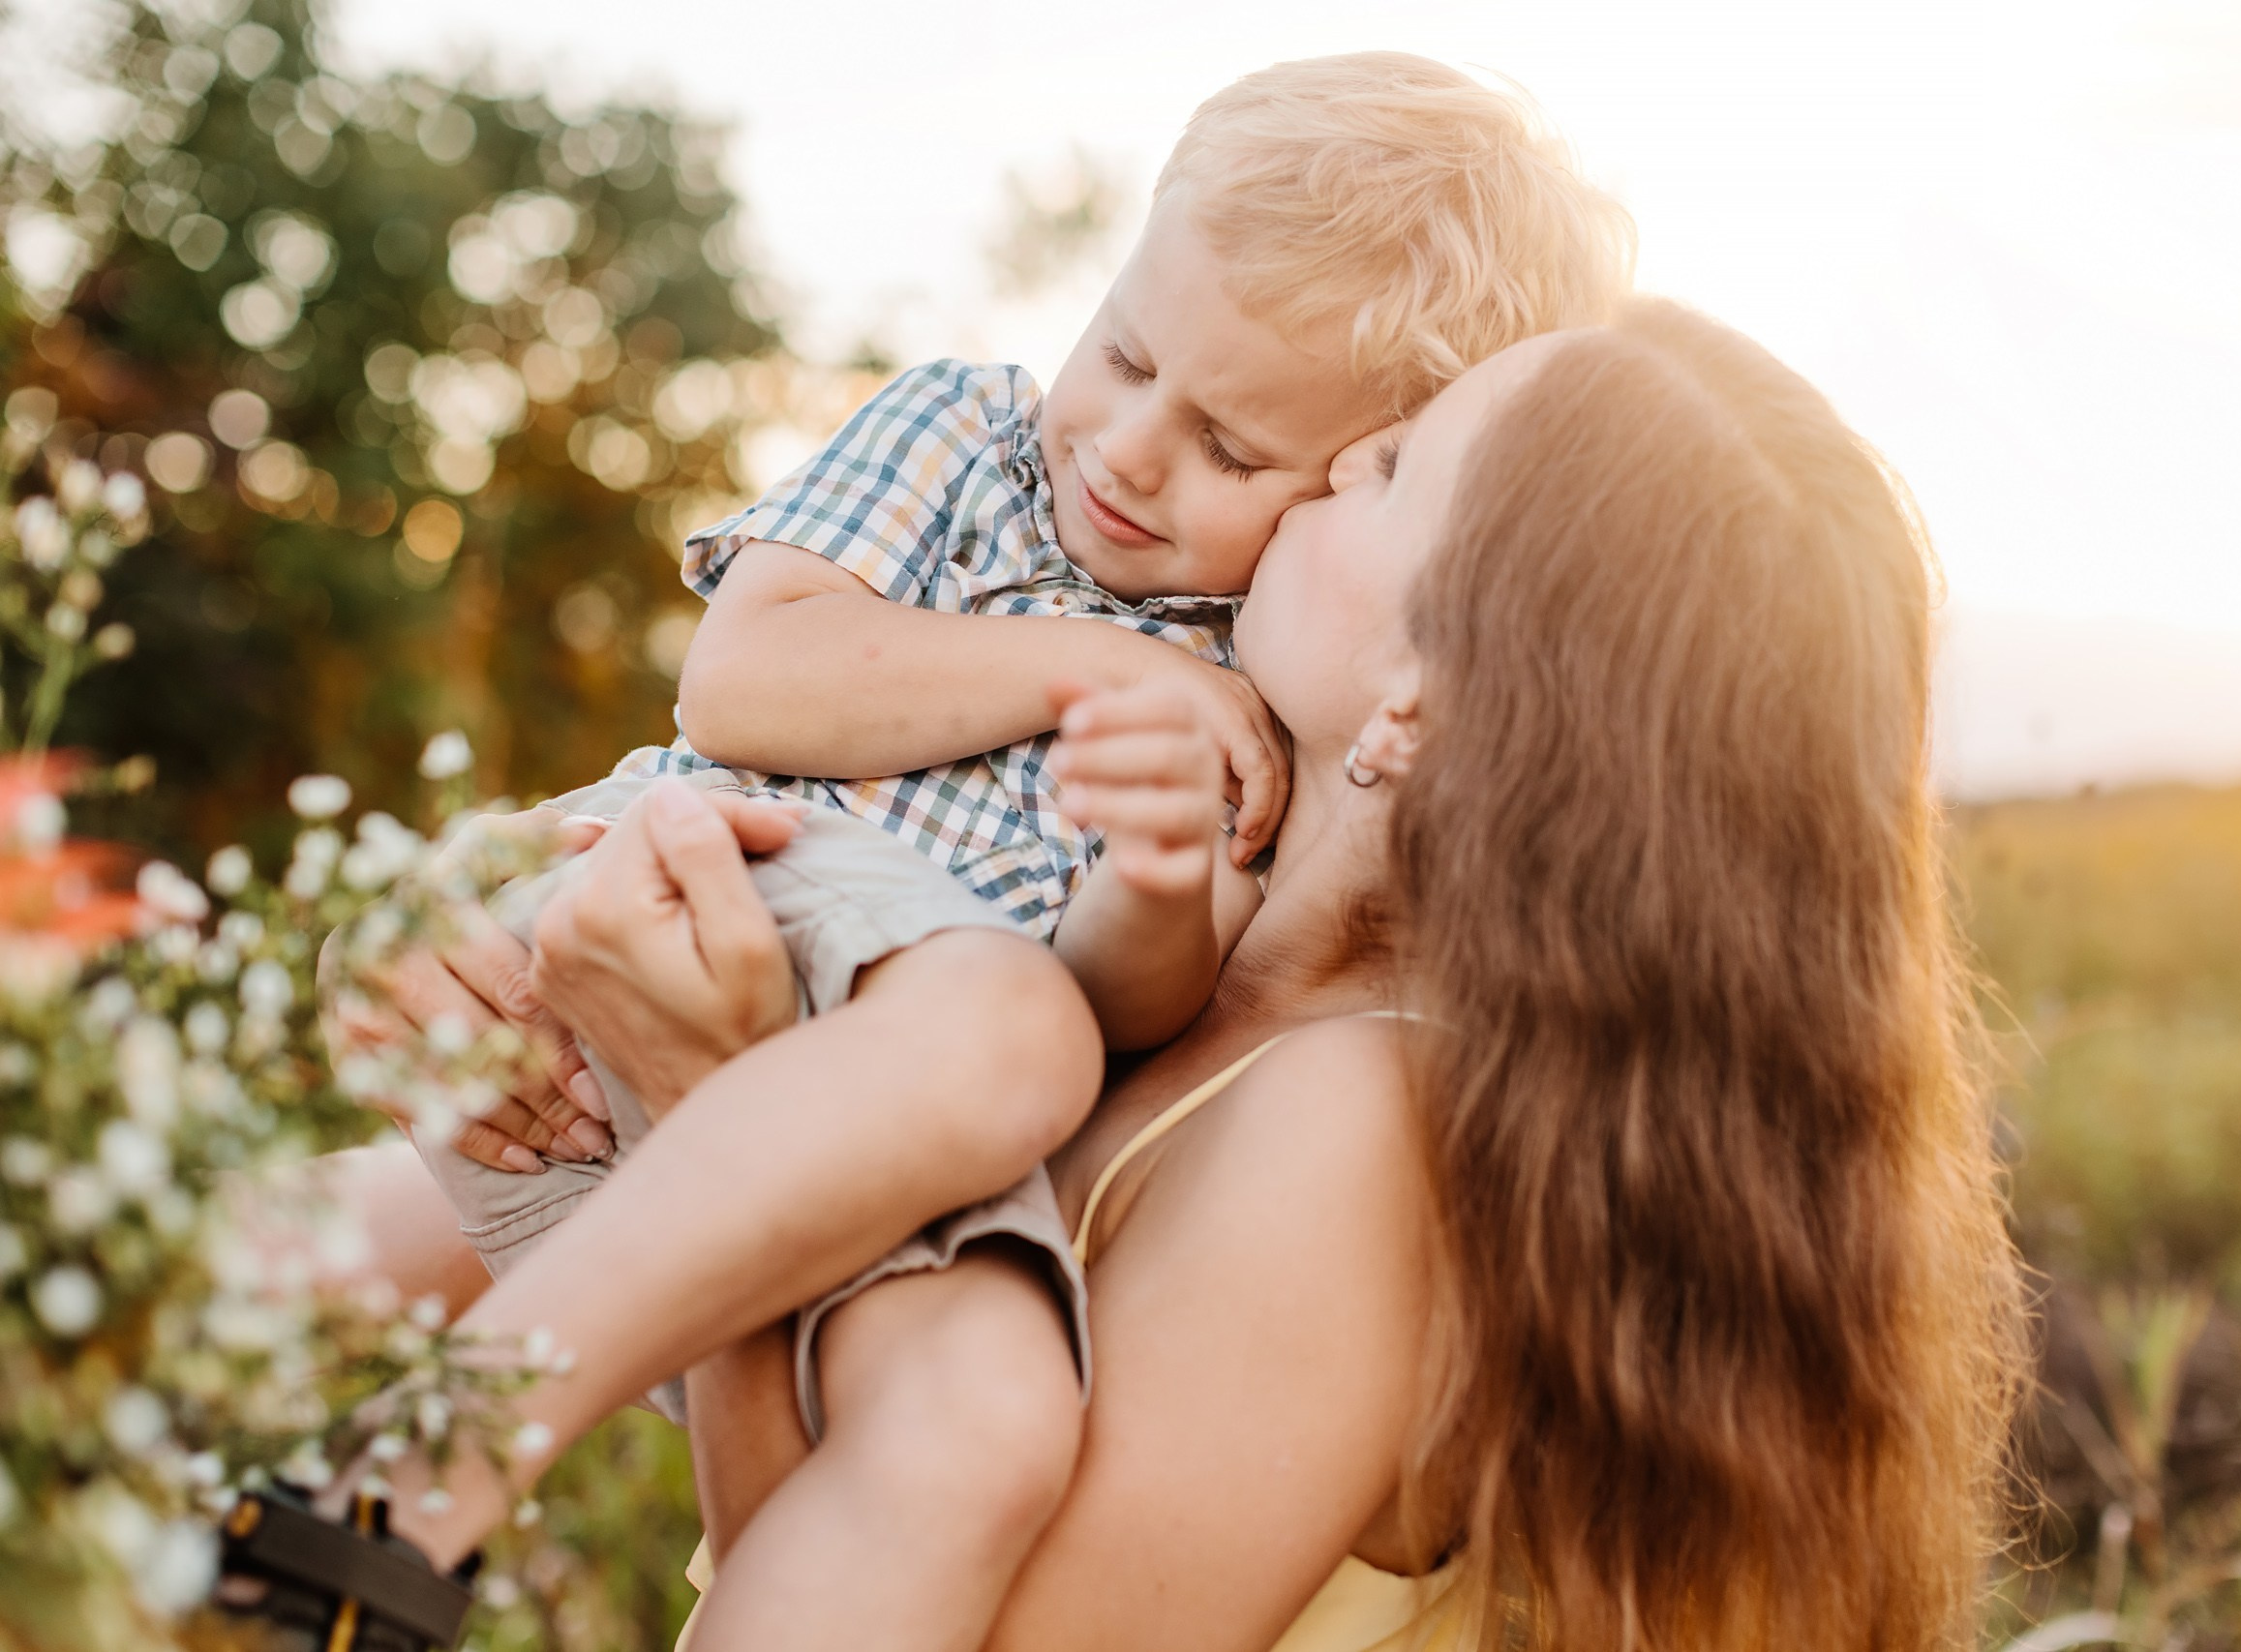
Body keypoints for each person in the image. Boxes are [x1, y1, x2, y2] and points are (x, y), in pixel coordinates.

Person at [284, 304, 2029, 1652]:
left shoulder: (1362, 1136)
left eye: (1397, 470)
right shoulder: (1146, 949)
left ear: (1434, 695)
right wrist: (502, 927)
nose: (1332, 467)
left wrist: (709, 1108)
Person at [283, 48, 1632, 1651]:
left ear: (1441, 663)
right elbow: (744, 685)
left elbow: (808, 1558)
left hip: (764, 1082)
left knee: (974, 1424)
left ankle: (378, 1481)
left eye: (1365, 467)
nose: (1133, 452)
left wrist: (726, 1086)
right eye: (1123, 353)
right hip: (732, 925)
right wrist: (422, 919)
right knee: (282, 1254)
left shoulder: (1329, 1081)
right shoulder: (1003, 480)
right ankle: (274, 1445)